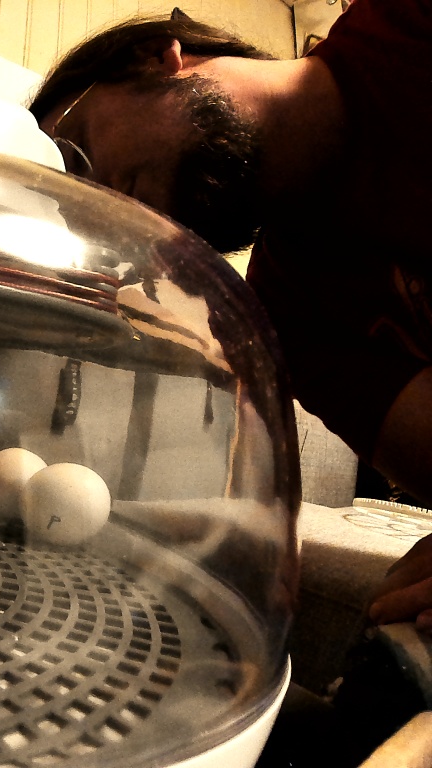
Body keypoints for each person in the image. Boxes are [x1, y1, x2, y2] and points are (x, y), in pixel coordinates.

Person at [29, 0, 432, 630]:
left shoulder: (408, 27)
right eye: (80, 216)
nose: (103, 212)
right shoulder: (289, 315)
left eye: (75, 155)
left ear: (153, 56)